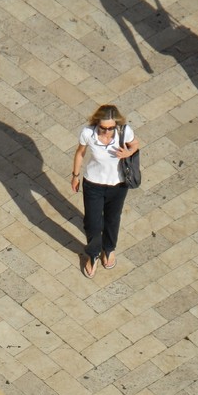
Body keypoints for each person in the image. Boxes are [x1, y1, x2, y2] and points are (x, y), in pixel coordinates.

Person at [71, 104, 139, 278]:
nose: (107, 132)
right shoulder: (88, 133)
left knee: (112, 218)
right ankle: (93, 254)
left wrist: (128, 152)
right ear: (97, 123)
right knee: (92, 222)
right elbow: (80, 153)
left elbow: (135, 145)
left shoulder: (124, 131)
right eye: (103, 127)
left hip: (119, 185)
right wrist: (75, 176)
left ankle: (108, 249)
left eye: (111, 128)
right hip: (93, 184)